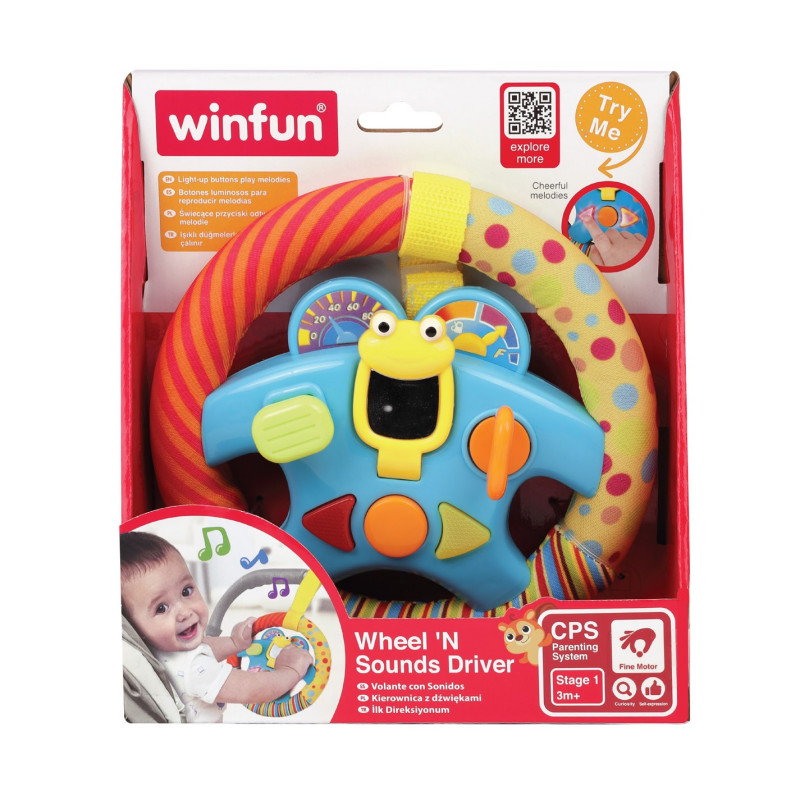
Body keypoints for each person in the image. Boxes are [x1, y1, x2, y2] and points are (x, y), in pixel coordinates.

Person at [120, 531, 313, 722]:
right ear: (131, 624)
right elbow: (252, 689)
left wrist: (234, 643)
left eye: (186, 591)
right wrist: (289, 670)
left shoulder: (153, 650)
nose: (184, 612)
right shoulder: (195, 669)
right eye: (161, 608)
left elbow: (204, 646)